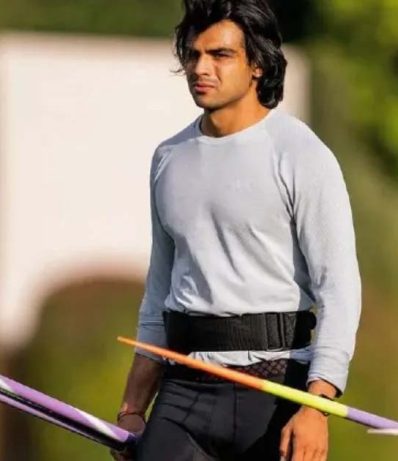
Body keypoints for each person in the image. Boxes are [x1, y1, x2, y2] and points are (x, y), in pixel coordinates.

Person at [111, 1, 361, 460]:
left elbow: (340, 289)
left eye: (220, 55)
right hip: (183, 390)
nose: (200, 67)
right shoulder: (168, 158)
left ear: (257, 66)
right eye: (193, 54)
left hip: (275, 393)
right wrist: (132, 407)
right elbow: (159, 291)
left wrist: (316, 407)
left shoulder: (302, 154)